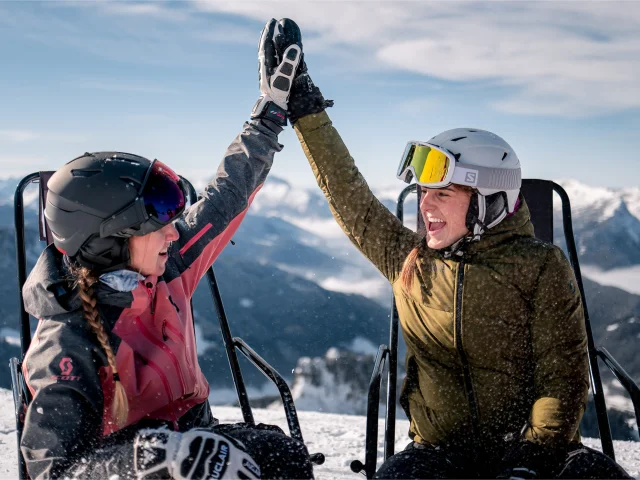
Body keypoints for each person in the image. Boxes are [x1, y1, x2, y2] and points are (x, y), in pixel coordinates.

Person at [276, 18, 632, 480]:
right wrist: (305, 106)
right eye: (423, 192)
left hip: (536, 453)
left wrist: (530, 460)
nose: (425, 206)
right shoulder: (412, 263)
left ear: (487, 201)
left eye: (442, 193)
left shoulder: (542, 267)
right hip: (438, 455)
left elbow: (560, 379)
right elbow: (352, 199)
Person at [20, 19, 313, 480]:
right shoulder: (66, 344)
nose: (174, 235)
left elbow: (226, 195)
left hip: (194, 438)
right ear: (109, 241)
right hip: (135, 468)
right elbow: (55, 472)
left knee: (280, 456)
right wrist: (150, 458)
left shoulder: (168, 269)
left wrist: (270, 114)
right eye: (157, 226)